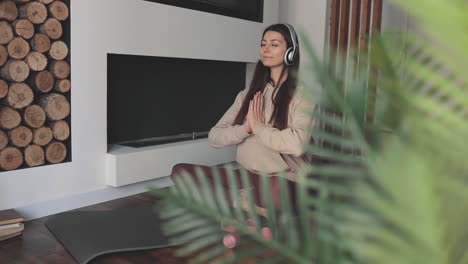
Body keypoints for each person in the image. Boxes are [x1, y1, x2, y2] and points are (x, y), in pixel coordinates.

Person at [170, 23, 315, 213]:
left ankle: (233, 201)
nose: (266, 49)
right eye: (263, 44)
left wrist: (259, 128)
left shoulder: (303, 95)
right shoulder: (246, 95)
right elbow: (214, 137)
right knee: (181, 172)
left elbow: (297, 144)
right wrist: (245, 129)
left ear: (291, 52)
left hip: (285, 180)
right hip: (249, 177)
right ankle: (248, 204)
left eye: (274, 44)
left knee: (275, 191)